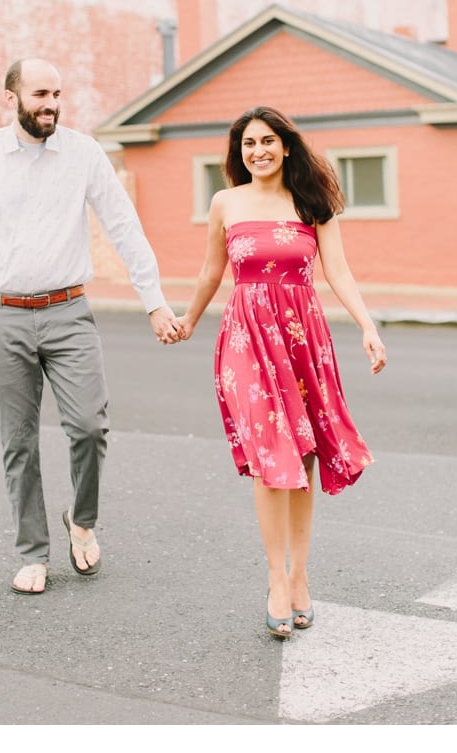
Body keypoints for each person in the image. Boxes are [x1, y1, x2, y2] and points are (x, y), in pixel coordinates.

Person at [0, 58, 181, 596]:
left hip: (69, 312)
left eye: (57, 94)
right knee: (17, 443)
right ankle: (32, 552)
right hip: (1, 314)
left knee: (90, 425)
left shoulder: (84, 154)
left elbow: (123, 225)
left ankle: (82, 521)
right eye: (40, 93)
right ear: (11, 97)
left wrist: (155, 303)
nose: (51, 103)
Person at [173, 106, 382, 639]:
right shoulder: (226, 202)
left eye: (267, 141)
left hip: (302, 338)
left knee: (304, 453)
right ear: (238, 153)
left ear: (286, 146)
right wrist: (187, 321)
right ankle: (274, 580)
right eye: (248, 144)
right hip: (246, 337)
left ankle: (300, 574)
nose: (258, 151)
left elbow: (337, 270)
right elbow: (211, 271)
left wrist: (368, 326)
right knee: (270, 456)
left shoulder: (312, 202)